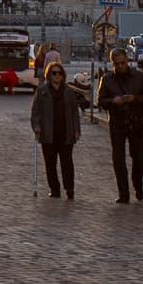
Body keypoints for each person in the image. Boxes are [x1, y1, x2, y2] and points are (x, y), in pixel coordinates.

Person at [96, 48, 143, 203]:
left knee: (139, 158)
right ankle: (123, 193)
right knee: (118, 159)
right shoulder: (107, 79)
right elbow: (100, 100)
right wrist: (112, 101)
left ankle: (138, 185)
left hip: (136, 121)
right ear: (112, 63)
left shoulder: (138, 76)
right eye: (117, 64)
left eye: (123, 63)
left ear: (127, 60)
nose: (121, 66)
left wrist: (134, 99)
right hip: (117, 122)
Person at [30, 61, 87, 199]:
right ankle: (54, 189)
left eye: (59, 73)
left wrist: (77, 130)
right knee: (50, 163)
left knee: (67, 163)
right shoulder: (42, 91)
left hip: (65, 132)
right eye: (54, 73)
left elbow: (74, 113)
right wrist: (36, 126)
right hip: (48, 133)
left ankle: (69, 188)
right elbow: (35, 112)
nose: (57, 76)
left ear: (63, 75)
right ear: (49, 75)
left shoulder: (68, 91)